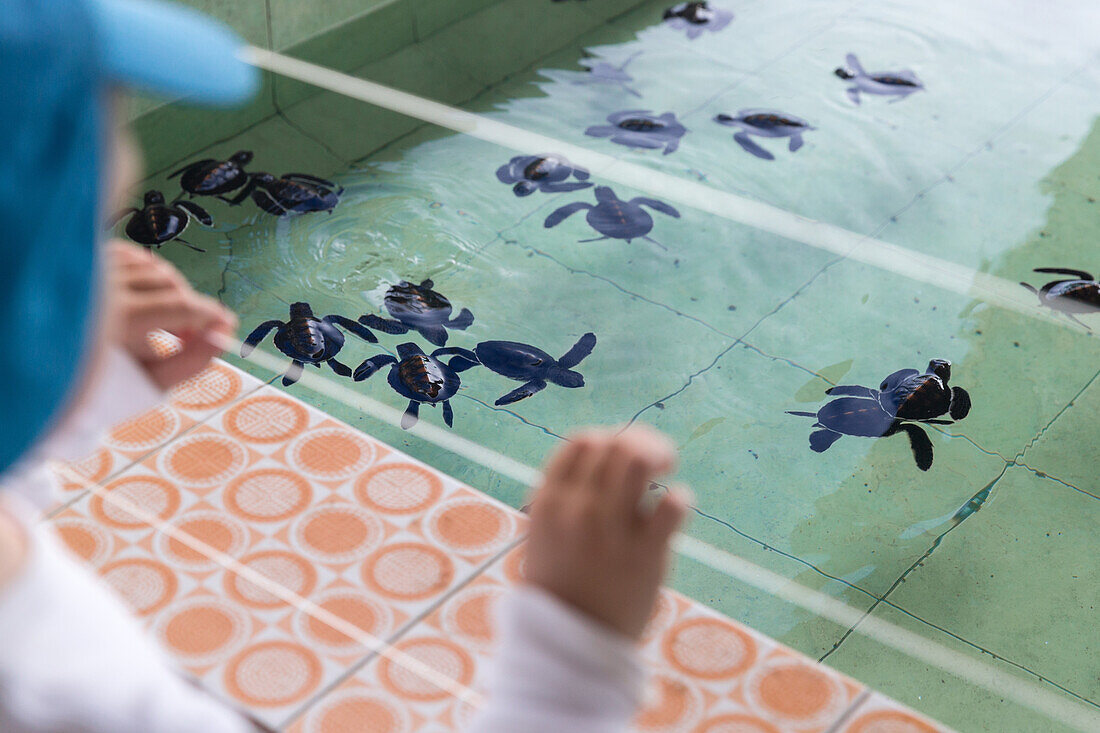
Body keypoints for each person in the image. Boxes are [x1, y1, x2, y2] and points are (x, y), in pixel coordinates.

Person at [0, 1, 689, 731]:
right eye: (83, 244)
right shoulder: (74, 698)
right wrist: (577, 648)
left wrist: (66, 389)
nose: (117, 269)